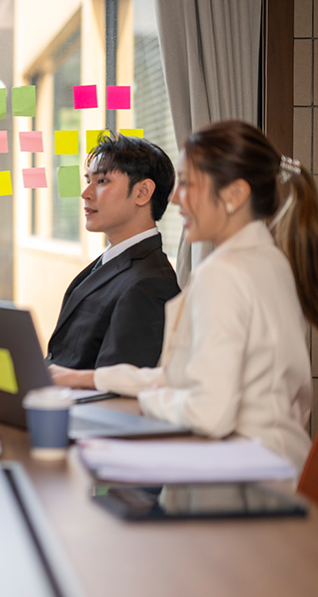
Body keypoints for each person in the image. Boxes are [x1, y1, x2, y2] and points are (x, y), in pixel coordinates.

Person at [52, 121, 316, 472]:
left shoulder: (224, 273)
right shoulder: (270, 260)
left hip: (250, 478)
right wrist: (88, 378)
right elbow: (187, 375)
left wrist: (147, 400)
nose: (175, 197)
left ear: (234, 195)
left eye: (189, 184)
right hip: (279, 462)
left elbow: (209, 413)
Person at [45, 133, 180, 370]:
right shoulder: (112, 261)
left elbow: (117, 385)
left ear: (143, 192)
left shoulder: (150, 283)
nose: (85, 193)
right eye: (88, 180)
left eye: (102, 181)